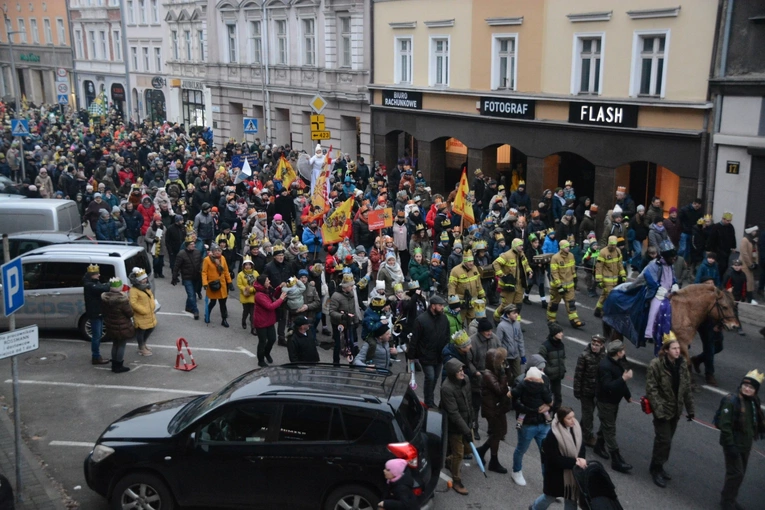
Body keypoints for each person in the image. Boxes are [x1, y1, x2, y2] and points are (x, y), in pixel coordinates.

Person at [645, 331, 695, 488]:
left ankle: (657, 465)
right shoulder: (656, 365)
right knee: (664, 440)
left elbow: (686, 388)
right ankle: (656, 470)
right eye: (673, 348)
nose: (677, 351)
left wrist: (690, 409)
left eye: (678, 348)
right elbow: (651, 390)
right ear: (666, 350)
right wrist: (659, 412)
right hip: (663, 411)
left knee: (665, 441)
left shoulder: (681, 365)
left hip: (676, 410)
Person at [717, 369, 765, 510]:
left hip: (745, 444)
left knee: (739, 473)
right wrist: (730, 445)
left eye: (751, 387)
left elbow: (755, 422)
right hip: (733, 444)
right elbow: (725, 426)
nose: (747, 389)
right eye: (745, 386)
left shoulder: (753, 402)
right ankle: (726, 501)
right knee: (736, 473)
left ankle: (731, 499)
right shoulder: (732, 401)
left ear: (756, 390)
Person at [529, 407, 587, 510]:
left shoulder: (576, 428)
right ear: (561, 419)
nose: (573, 420)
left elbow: (581, 446)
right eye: (569, 418)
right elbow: (554, 459)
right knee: (549, 497)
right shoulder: (553, 435)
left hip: (572, 474)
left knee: (571, 500)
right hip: (556, 475)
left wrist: (581, 458)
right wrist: (575, 462)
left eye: (573, 416)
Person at [594, 340, 633, 473]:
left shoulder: (618, 362)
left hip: (614, 401)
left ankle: (599, 445)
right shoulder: (605, 366)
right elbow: (607, 386)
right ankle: (616, 459)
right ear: (618, 353)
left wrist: (627, 395)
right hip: (606, 402)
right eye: (623, 350)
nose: (624, 352)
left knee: (606, 423)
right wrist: (624, 379)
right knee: (610, 428)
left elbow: (620, 381)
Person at [511, 366, 552, 486]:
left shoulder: (544, 380)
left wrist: (549, 406)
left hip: (542, 423)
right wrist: (533, 409)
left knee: (546, 453)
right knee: (521, 449)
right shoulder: (520, 382)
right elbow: (515, 403)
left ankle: (549, 482)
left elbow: (551, 397)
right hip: (528, 424)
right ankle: (516, 471)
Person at [440, 358, 474, 496]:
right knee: (459, 453)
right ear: (452, 373)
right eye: (459, 371)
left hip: (466, 422)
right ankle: (456, 480)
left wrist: (471, 421)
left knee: (467, 449)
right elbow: (453, 413)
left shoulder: (465, 380)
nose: (462, 372)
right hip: (455, 426)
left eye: (462, 370)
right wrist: (465, 429)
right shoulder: (447, 388)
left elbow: (469, 401)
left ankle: (449, 460)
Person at [475, 347, 512, 474]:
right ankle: (493, 461)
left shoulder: (495, 372)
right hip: (492, 409)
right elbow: (500, 390)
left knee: (501, 432)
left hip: (498, 407)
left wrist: (506, 370)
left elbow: (509, 381)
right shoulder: (487, 375)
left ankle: (482, 450)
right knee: (497, 434)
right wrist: (503, 374)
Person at [410, 295, 450, 409]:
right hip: (426, 355)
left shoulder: (443, 319)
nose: (443, 307)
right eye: (440, 305)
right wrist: (412, 356)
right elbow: (415, 339)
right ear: (433, 306)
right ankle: (428, 401)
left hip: (439, 355)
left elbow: (447, 334)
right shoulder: (421, 320)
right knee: (430, 377)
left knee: (435, 378)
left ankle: (429, 398)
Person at [573, 335, 606, 448]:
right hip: (585, 391)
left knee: (589, 412)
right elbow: (578, 374)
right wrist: (577, 390)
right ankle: (587, 437)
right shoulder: (584, 356)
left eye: (597, 345)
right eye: (593, 344)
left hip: (596, 391)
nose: (594, 347)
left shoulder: (603, 355)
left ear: (602, 345)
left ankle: (580, 430)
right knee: (588, 414)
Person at [493, 238, 533, 321]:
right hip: (509, 285)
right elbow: (495, 263)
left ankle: (516, 324)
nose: (522, 247)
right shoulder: (506, 255)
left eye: (522, 245)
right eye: (520, 246)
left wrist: (529, 271)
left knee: (518, 305)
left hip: (519, 284)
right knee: (506, 306)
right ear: (515, 246)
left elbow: (526, 264)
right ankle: (496, 317)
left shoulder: (522, 254)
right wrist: (502, 275)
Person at [547, 240, 585, 328]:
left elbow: (572, 269)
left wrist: (575, 278)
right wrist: (559, 286)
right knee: (554, 303)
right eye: (567, 247)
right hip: (557, 287)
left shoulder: (571, 256)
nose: (569, 248)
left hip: (569, 286)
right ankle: (551, 319)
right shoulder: (555, 258)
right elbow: (554, 273)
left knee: (571, 304)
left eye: (569, 247)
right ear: (562, 248)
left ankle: (575, 321)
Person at [100, 277, 134, 373]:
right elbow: (130, 313)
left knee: (115, 344)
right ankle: (119, 365)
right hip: (122, 326)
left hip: (111, 325)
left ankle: (114, 364)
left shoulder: (105, 298)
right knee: (121, 345)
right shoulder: (122, 300)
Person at [328, 272, 360, 365]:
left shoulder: (351, 294)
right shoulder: (336, 296)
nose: (352, 287)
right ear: (345, 287)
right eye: (351, 286)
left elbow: (353, 309)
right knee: (338, 344)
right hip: (338, 324)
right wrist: (342, 316)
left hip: (349, 323)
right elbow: (332, 311)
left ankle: (351, 362)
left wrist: (356, 320)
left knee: (350, 343)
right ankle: (336, 362)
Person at [82, 264, 111, 365]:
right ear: (91, 275)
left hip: (98, 312)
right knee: (96, 336)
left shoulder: (92, 282)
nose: (99, 275)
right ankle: (96, 356)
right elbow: (102, 288)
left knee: (97, 335)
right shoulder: (90, 285)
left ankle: (97, 356)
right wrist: (110, 283)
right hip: (95, 313)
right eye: (96, 274)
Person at [448, 249, 485, 324]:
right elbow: (452, 288)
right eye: (469, 261)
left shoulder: (475, 269)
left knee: (473, 324)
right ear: (464, 261)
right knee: (459, 323)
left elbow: (479, 284)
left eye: (472, 261)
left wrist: (482, 296)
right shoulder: (455, 271)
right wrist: (454, 304)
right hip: (461, 305)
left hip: (473, 304)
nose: (471, 263)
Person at [593, 236, 626, 318]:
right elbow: (599, 267)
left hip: (615, 279)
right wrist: (599, 280)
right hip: (606, 280)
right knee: (610, 297)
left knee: (604, 295)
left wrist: (623, 275)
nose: (613, 247)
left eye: (614, 245)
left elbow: (620, 264)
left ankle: (598, 310)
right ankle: (608, 314)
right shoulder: (603, 252)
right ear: (608, 244)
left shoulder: (618, 251)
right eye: (611, 245)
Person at [172, 234, 203, 320]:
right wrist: (174, 277)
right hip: (187, 278)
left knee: (192, 293)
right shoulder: (181, 254)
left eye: (194, 244)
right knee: (191, 294)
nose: (194, 245)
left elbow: (201, 263)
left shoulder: (197, 252)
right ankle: (195, 310)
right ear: (187, 245)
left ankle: (188, 307)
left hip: (196, 277)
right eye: (191, 244)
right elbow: (176, 266)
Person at [128, 268, 157, 357]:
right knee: (141, 331)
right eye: (142, 279)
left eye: (145, 278)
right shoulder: (134, 290)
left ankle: (143, 344)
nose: (145, 280)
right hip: (141, 314)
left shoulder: (146, 286)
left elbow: (150, 297)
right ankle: (141, 347)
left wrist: (153, 306)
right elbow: (133, 303)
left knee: (150, 328)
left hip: (149, 313)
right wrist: (143, 310)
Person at [202, 243, 233, 327]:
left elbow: (226, 271)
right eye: (216, 251)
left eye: (219, 250)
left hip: (222, 285)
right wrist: (205, 283)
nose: (218, 252)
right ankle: (207, 315)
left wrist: (229, 282)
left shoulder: (222, 258)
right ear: (212, 252)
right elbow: (204, 272)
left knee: (223, 303)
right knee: (213, 302)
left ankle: (224, 319)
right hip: (213, 284)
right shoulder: (207, 260)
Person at [539, 322, 567, 412]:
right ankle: (546, 412)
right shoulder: (545, 346)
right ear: (554, 334)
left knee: (558, 396)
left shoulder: (561, 345)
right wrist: (546, 371)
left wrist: (562, 369)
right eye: (559, 332)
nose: (562, 334)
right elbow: (540, 360)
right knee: (547, 394)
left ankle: (556, 414)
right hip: (548, 375)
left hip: (557, 375)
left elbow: (563, 358)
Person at [496, 304, 525, 382]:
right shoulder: (501, 326)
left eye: (517, 313)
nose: (516, 315)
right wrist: (501, 357)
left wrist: (522, 355)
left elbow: (520, 339)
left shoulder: (517, 324)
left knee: (519, 377)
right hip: (506, 358)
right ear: (508, 315)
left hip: (515, 356)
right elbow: (498, 343)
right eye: (514, 313)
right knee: (507, 377)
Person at [237, 255, 259, 330]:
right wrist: (245, 289)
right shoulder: (240, 274)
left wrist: (252, 289)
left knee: (253, 313)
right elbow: (239, 285)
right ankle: (243, 321)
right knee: (246, 311)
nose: (248, 266)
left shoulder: (255, 273)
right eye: (246, 264)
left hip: (253, 294)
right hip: (245, 295)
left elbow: (258, 283)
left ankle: (253, 328)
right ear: (243, 266)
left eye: (249, 264)